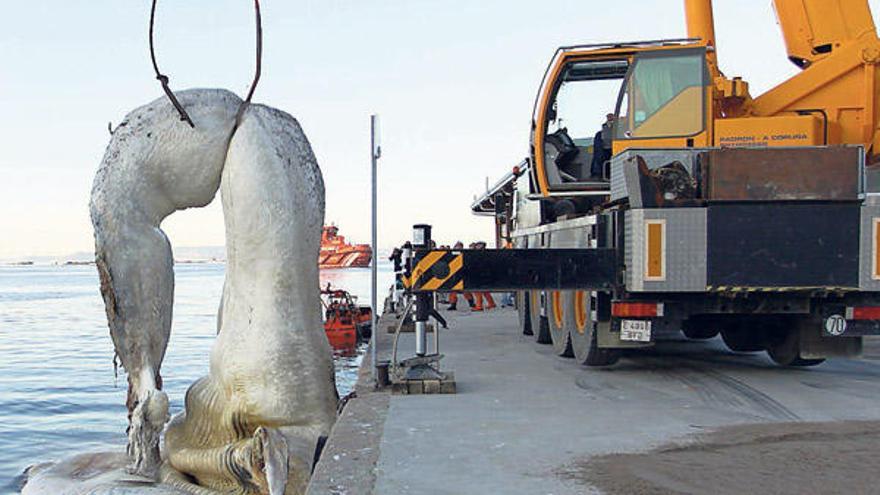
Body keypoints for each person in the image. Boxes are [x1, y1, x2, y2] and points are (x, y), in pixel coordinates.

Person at [446, 241, 475, 311]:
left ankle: (471, 303)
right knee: (453, 291)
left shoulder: (464, 253)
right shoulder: (451, 254)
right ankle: (453, 304)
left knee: (465, 291)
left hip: (463, 274)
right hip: (454, 274)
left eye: (460, 246)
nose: (458, 247)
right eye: (457, 246)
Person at [471, 241, 496, 311]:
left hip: (479, 274)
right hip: (484, 274)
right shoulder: (486, 253)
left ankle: (479, 306)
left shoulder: (478, 254)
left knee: (477, 291)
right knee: (485, 291)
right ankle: (491, 303)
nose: (476, 246)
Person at [591, 113, 615, 178]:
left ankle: (598, 173)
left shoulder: (618, 127)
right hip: (606, 149)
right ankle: (597, 173)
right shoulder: (601, 132)